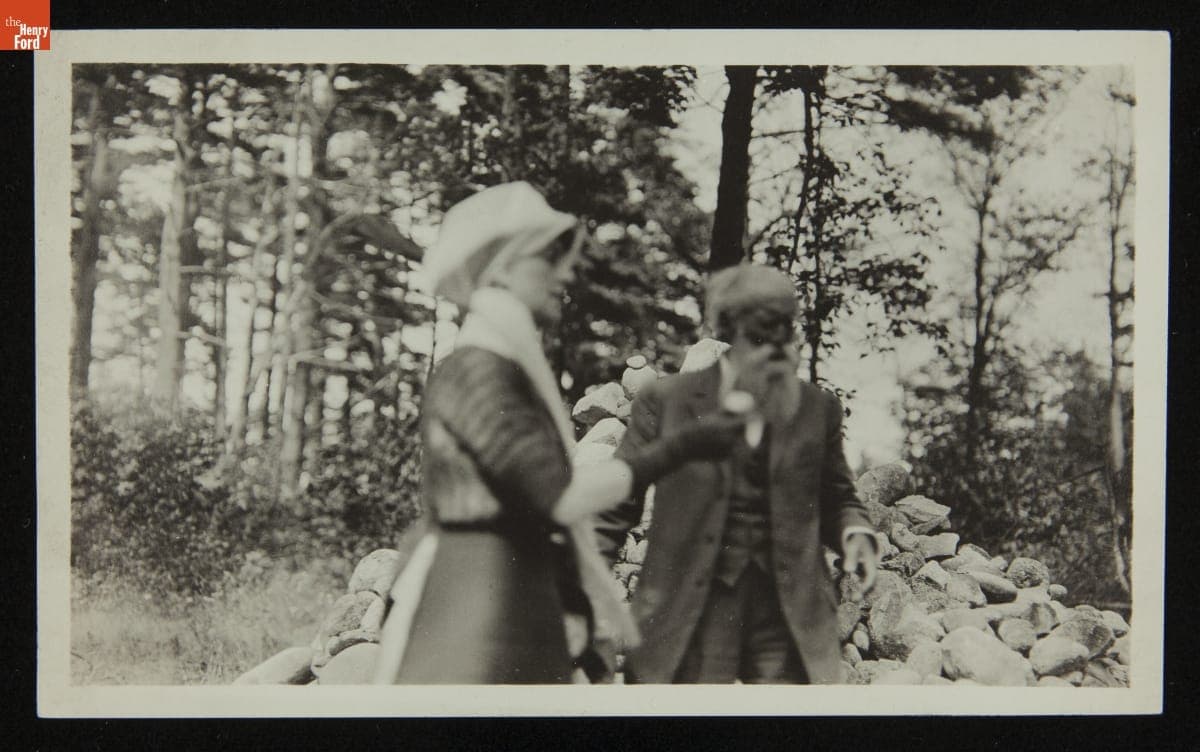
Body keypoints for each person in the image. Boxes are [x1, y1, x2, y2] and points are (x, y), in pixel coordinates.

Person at [373, 182, 744, 684]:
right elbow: (558, 497)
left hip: (506, 595)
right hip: (469, 608)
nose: (565, 273)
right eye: (548, 258)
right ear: (503, 266)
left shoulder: (501, 366)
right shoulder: (478, 370)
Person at [595, 262, 882, 684]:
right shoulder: (667, 401)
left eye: (788, 326)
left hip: (787, 618)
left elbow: (837, 496)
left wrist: (856, 534)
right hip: (689, 615)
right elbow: (616, 504)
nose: (780, 342)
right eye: (765, 329)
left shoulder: (816, 409)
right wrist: (588, 592)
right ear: (732, 328)